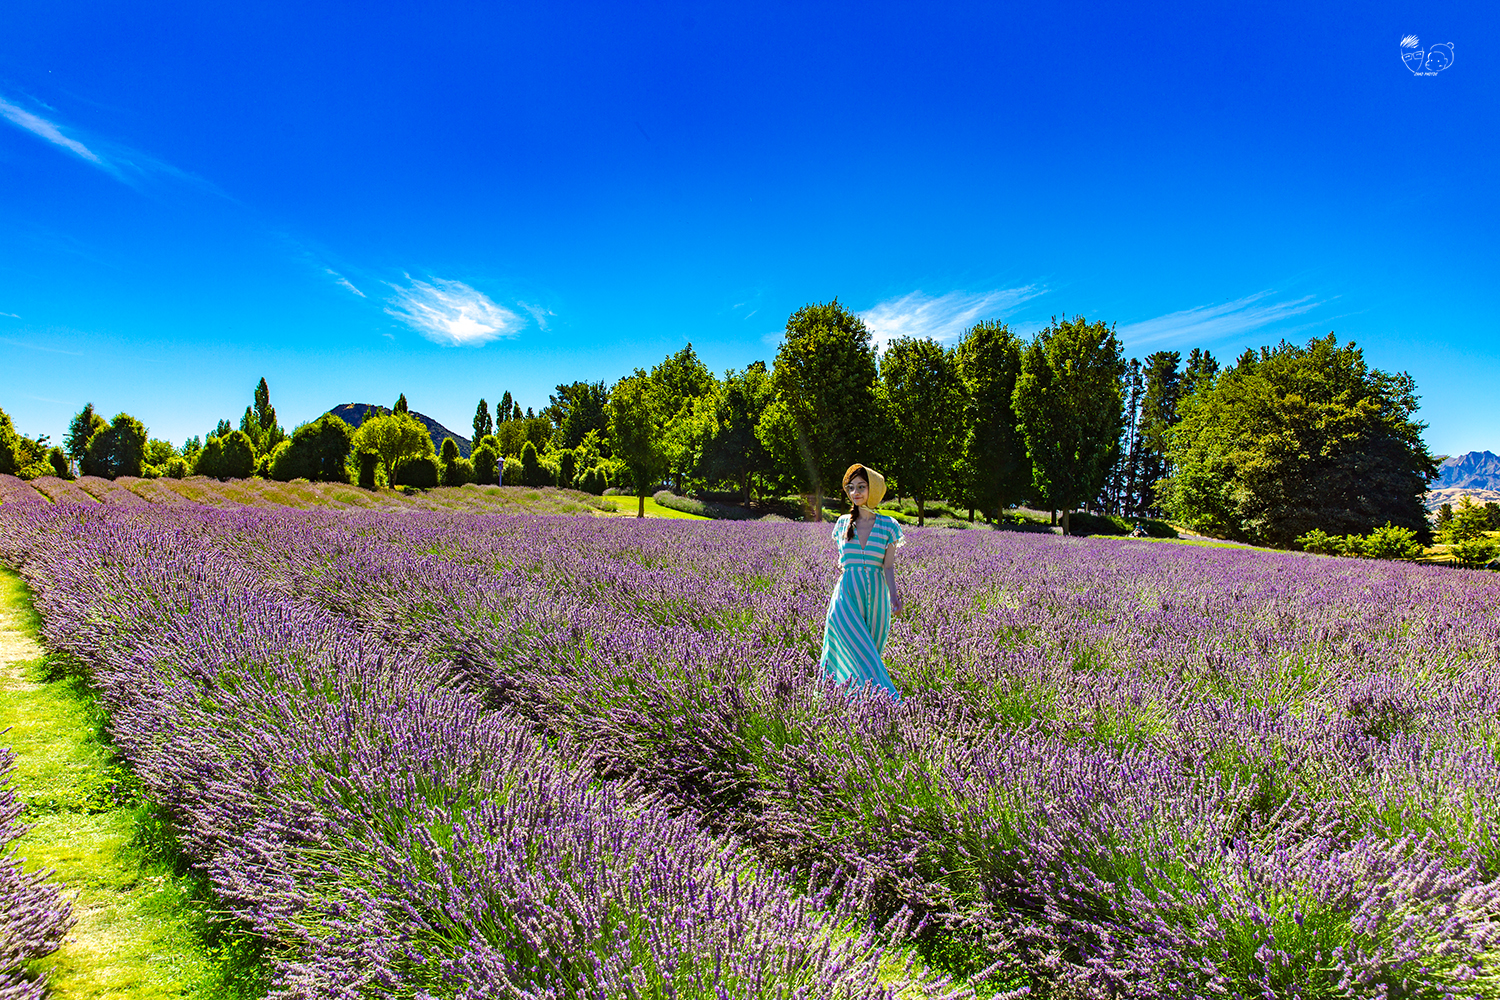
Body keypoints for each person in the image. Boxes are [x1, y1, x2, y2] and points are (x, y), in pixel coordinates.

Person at [819, 463, 904, 700]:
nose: (856, 493)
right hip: (846, 598)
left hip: (877, 600)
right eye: (851, 488)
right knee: (848, 646)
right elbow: (845, 563)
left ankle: (859, 701)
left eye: (862, 487)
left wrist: (895, 597)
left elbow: (888, 566)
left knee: (870, 655)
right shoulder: (842, 524)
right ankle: (887, 702)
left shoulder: (889, 526)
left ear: (873, 490)